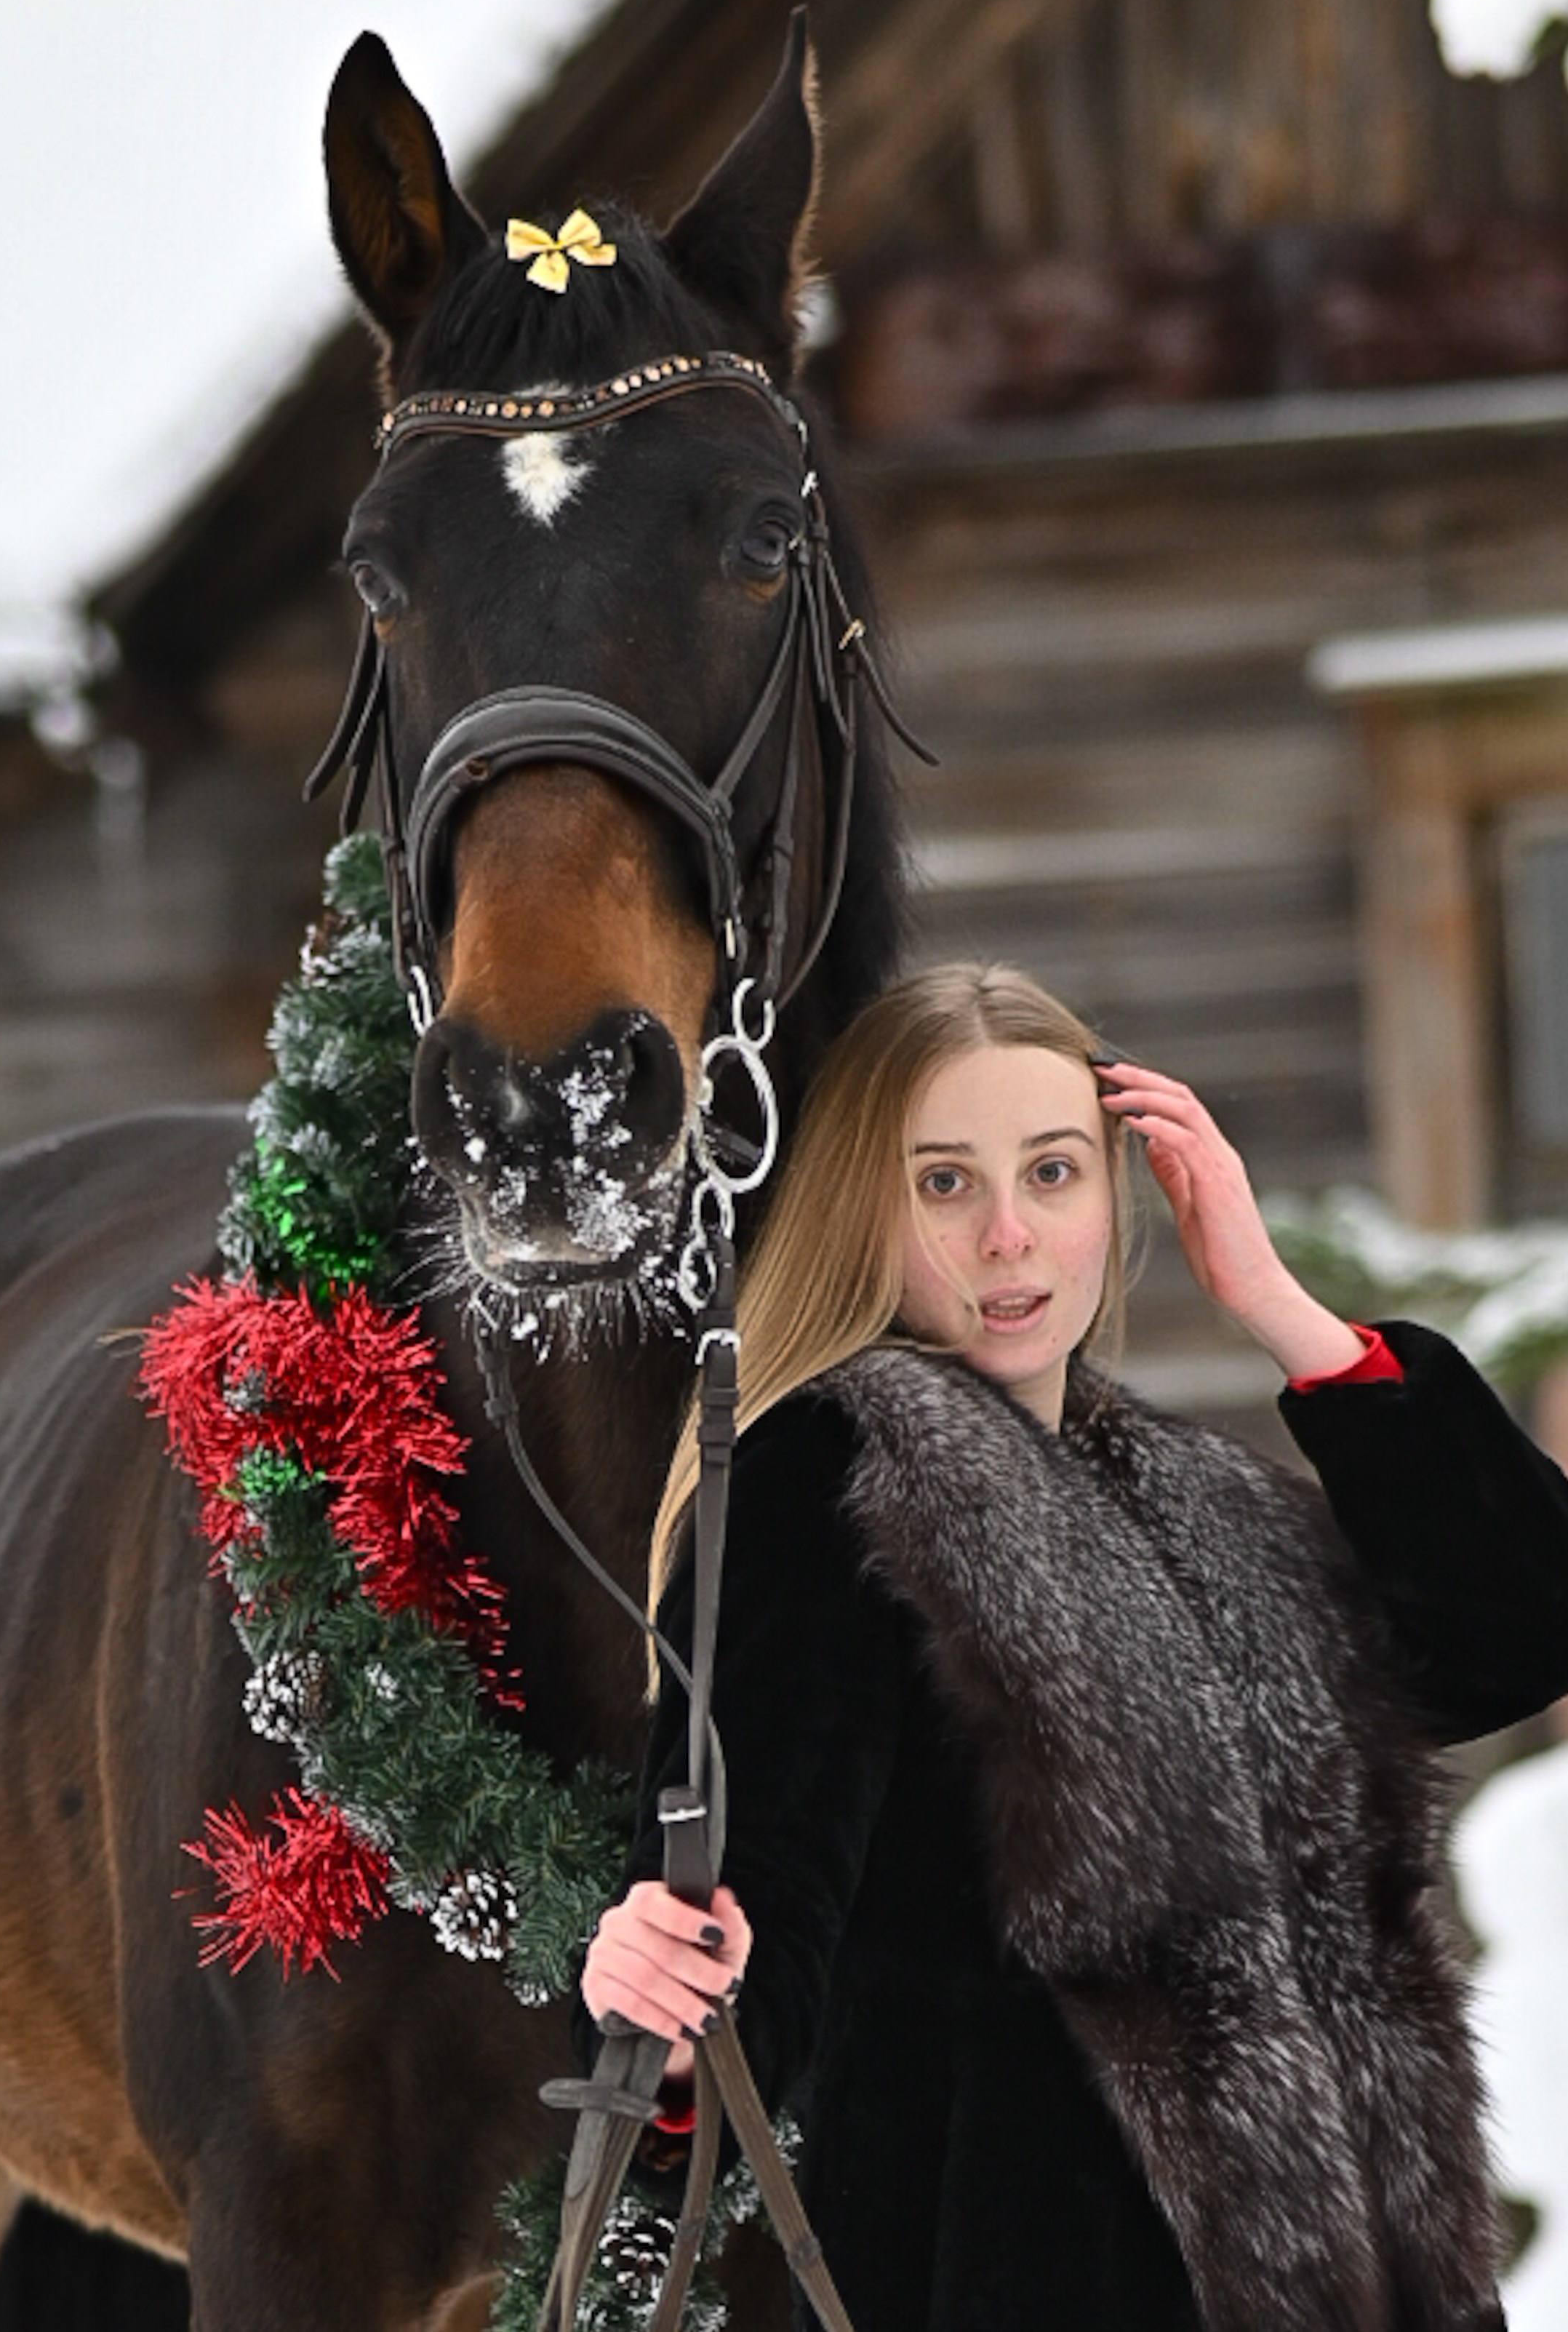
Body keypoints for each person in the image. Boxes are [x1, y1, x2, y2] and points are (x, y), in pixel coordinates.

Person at [579, 963, 1568, 2332]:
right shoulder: (829, 1488)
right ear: (864, 1204)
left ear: (1118, 1192)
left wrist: (1281, 1306)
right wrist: (667, 2009)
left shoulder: (1194, 1507)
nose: (1006, 1237)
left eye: (1052, 1173)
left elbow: (1517, 1630)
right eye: (943, 1183)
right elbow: (749, 1932)